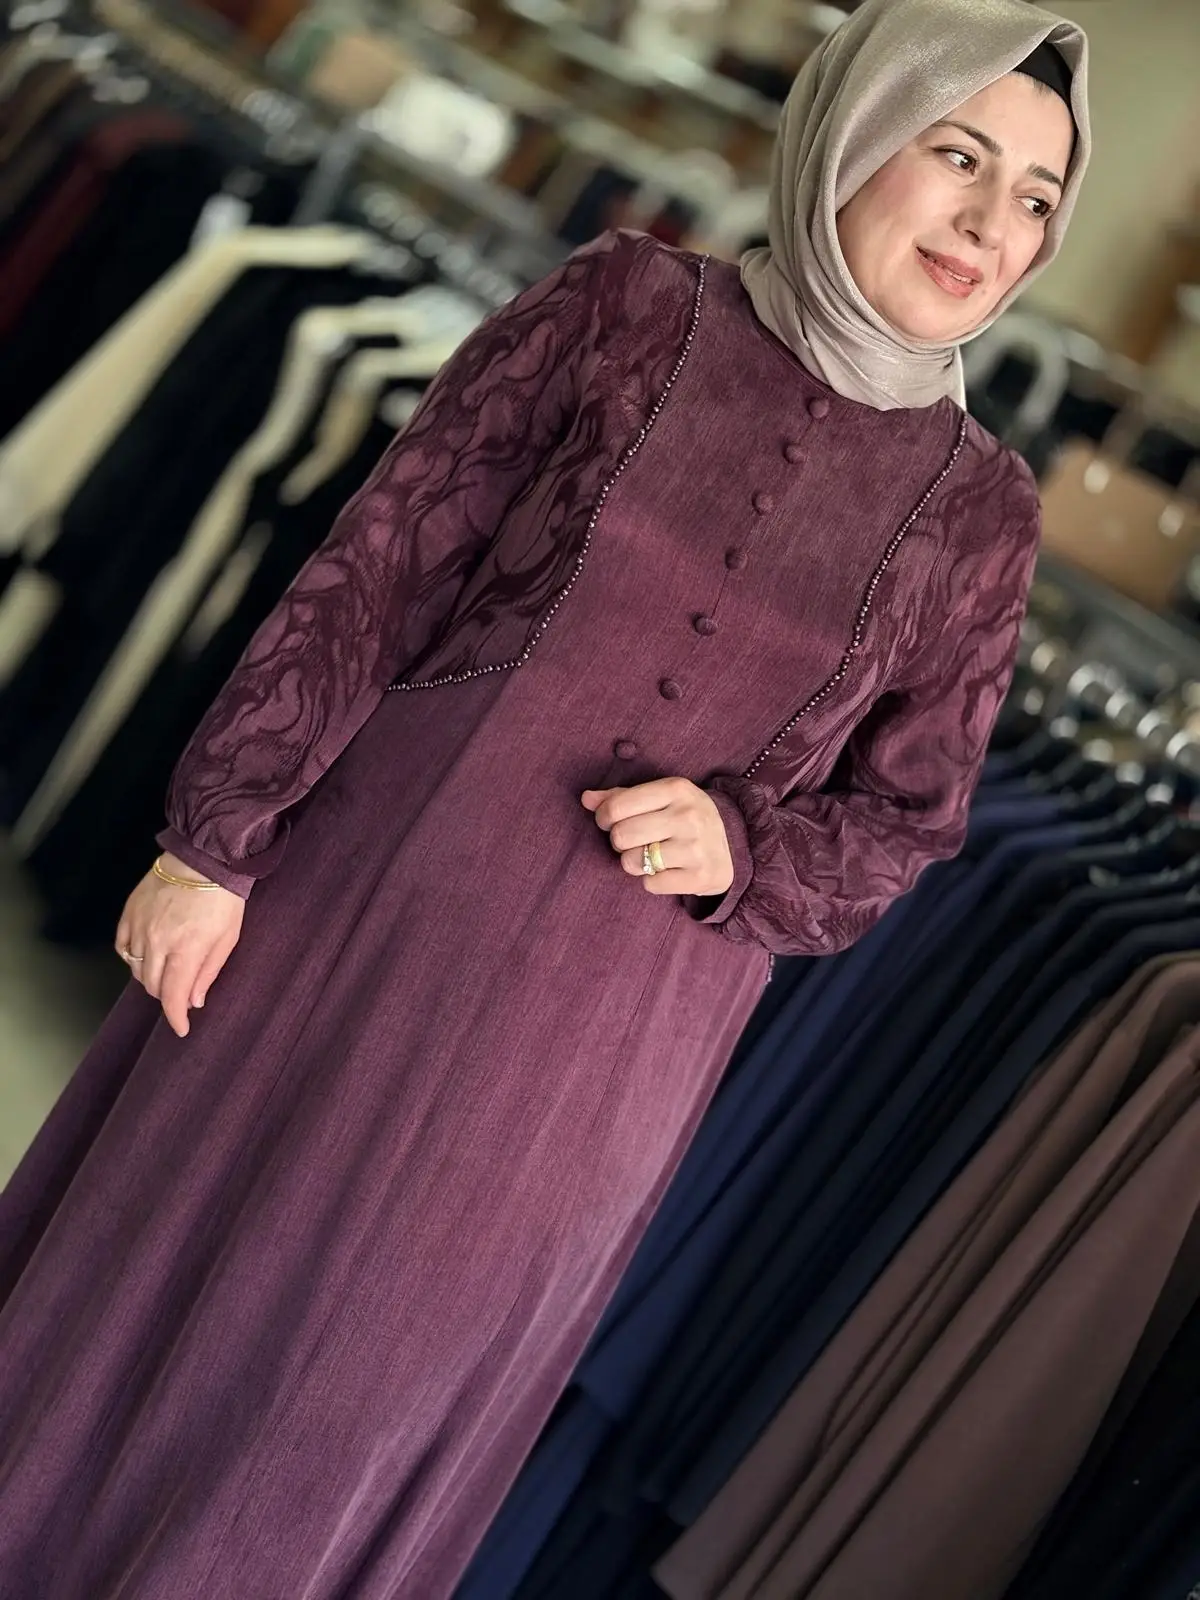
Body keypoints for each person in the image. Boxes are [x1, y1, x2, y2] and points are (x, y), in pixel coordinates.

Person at [0, 0, 1088, 1593]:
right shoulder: (622, 305)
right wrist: (212, 845)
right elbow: (380, 568)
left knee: (351, 1401)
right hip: (356, 910)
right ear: (854, 136)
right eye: (961, 156)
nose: (995, 225)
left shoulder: (984, 514)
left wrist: (744, 841)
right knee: (161, 1280)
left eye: (1040, 198)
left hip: (596, 1050)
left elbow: (906, 826)